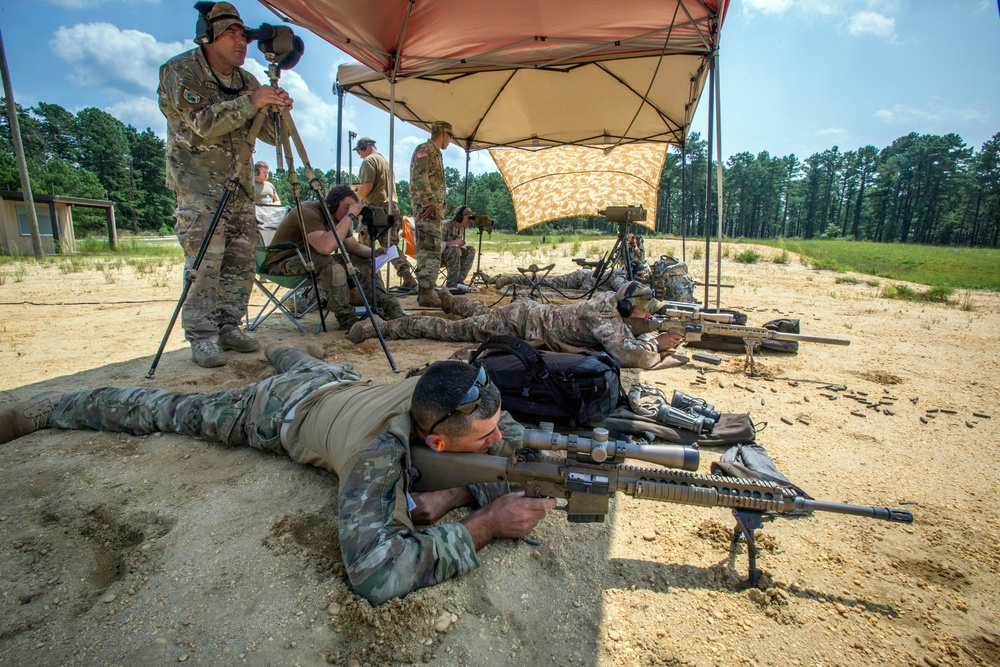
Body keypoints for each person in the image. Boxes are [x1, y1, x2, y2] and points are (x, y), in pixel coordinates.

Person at [0, 348, 557, 606]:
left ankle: (284, 351)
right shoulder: (376, 455)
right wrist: (482, 523)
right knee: (169, 410)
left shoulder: (460, 395)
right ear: (436, 440)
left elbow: (504, 443)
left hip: (336, 379)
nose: (497, 438)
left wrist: (456, 490)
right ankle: (53, 407)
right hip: (275, 411)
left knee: (304, 360)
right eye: (483, 438)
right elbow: (376, 573)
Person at [158, 2, 293, 368]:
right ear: (208, 35)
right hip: (201, 189)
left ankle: (229, 324)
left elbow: (272, 136)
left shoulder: (247, 81)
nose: (241, 42)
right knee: (205, 263)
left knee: (240, 261)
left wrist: (278, 109)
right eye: (231, 33)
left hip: (240, 190)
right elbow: (201, 124)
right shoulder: (181, 71)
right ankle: (202, 337)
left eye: (244, 35)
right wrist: (252, 102)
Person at [348, 281, 683, 370]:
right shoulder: (605, 316)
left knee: (476, 313)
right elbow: (628, 356)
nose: (646, 315)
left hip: (525, 315)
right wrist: (657, 345)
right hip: (517, 325)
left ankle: (450, 300)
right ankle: (384, 325)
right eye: (643, 312)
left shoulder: (613, 302)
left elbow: (629, 328)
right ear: (627, 307)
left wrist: (650, 329)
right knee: (451, 331)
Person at [264, 185, 404, 330]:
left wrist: (374, 253)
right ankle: (347, 319)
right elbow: (325, 247)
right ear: (331, 206)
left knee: (359, 260)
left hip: (310, 260)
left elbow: (353, 247)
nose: (351, 211)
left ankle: (392, 308)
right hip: (281, 263)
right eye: (346, 207)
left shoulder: (339, 218)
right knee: (331, 266)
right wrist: (349, 216)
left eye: (352, 208)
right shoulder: (308, 211)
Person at [352, 136, 418, 290]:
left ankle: (371, 284)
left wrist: (353, 199)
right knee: (391, 246)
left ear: (364, 146)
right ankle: (408, 277)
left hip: (374, 210)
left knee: (364, 248)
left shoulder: (369, 162)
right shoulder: (386, 163)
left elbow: (366, 186)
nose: (359, 154)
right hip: (391, 208)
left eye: (359, 151)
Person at [409, 121, 452, 307]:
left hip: (433, 213)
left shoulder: (434, 152)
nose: (449, 141)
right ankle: (427, 293)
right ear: (444, 133)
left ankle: (425, 291)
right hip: (428, 212)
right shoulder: (425, 150)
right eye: (450, 137)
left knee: (430, 249)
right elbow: (420, 176)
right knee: (430, 250)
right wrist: (430, 202)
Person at [490, 262, 650, 293]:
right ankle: (511, 279)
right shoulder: (619, 276)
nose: (640, 279)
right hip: (582, 279)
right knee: (548, 282)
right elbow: (624, 290)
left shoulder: (624, 274)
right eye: (639, 276)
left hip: (585, 279)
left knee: (548, 281)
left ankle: (508, 278)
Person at [441, 206, 476, 288]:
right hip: (440, 255)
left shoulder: (461, 228)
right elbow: (436, 245)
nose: (470, 221)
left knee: (470, 250)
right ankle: (452, 282)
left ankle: (459, 281)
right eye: (468, 218)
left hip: (454, 253)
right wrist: (452, 243)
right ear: (459, 218)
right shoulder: (444, 226)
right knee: (455, 250)